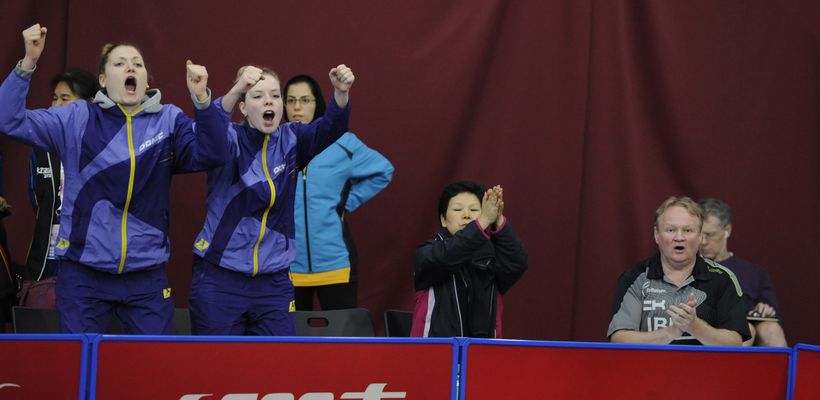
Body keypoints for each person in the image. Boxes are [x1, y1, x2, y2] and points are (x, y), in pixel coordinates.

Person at [0, 24, 232, 334]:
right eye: (120, 63)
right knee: (81, 369)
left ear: (147, 79)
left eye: (137, 63)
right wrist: (27, 62)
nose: (130, 67)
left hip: (145, 276)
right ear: (102, 80)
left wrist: (202, 101)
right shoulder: (77, 118)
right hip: (83, 274)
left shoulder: (168, 120)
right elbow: (8, 119)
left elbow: (214, 153)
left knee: (152, 372)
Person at [189, 64, 355, 335]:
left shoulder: (293, 138)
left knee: (276, 371)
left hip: (274, 282)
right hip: (220, 276)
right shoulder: (228, 138)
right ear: (242, 107)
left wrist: (340, 93)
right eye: (256, 96)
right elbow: (209, 136)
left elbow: (330, 129)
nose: (269, 101)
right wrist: (235, 90)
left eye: (275, 95)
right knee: (216, 371)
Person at [283, 74, 394, 311]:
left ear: (319, 103)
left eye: (305, 100)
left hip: (335, 263)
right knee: (288, 344)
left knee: (338, 344)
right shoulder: (277, 142)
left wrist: (346, 204)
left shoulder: (343, 143)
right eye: (290, 100)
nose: (297, 107)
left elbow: (383, 170)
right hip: (286, 265)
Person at [608, 196, 751, 345]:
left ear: (700, 236)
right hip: (650, 367)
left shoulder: (723, 278)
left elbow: (735, 343)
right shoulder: (634, 277)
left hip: (704, 368)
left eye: (688, 230)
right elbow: (619, 339)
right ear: (657, 235)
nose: (679, 237)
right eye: (670, 230)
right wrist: (670, 333)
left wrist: (696, 327)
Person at [18, 68, 99, 309]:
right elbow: (38, 201)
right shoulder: (41, 146)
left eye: (65, 98)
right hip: (46, 264)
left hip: (91, 264)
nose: (56, 105)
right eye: (54, 98)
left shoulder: (103, 145)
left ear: (90, 104)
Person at [411, 181, 528, 338]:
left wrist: (497, 220)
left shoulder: (490, 260)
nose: (466, 214)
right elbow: (447, 256)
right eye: (457, 209)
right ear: (443, 219)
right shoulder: (428, 252)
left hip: (482, 355)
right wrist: (481, 223)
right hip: (435, 355)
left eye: (474, 210)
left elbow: (517, 262)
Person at [698, 198, 788, 347]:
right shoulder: (688, 267)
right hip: (711, 328)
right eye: (700, 234)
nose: (703, 241)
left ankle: (786, 370)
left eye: (710, 235)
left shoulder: (755, 273)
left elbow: (774, 311)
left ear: (727, 230)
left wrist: (765, 308)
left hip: (748, 325)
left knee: (771, 329)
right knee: (746, 330)